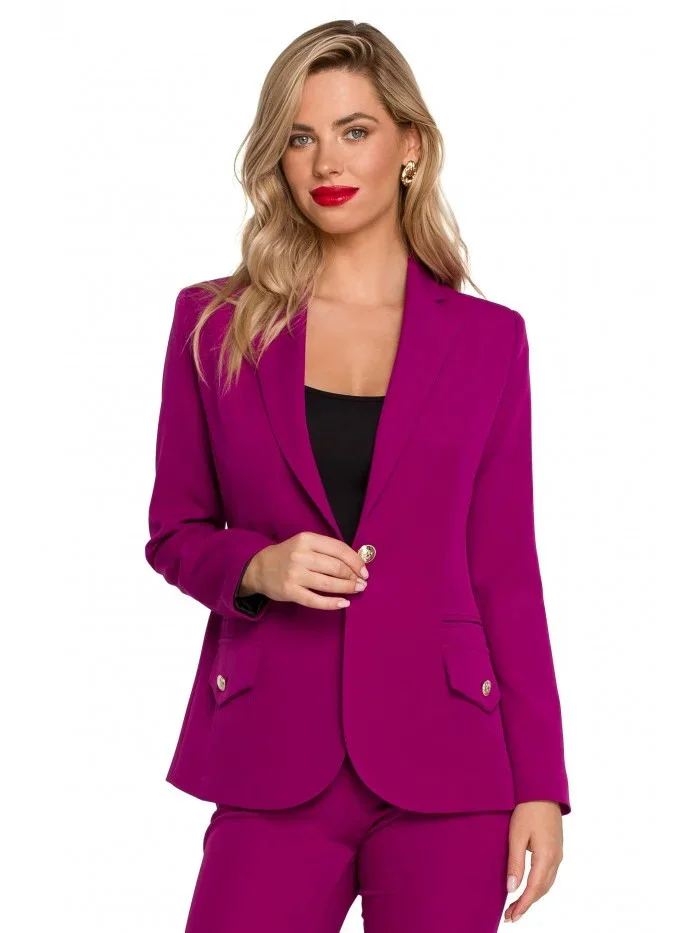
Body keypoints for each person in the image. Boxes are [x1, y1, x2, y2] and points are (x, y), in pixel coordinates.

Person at [145, 19, 571, 933]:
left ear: (409, 145)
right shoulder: (214, 324)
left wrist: (540, 781)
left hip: (450, 761)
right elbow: (175, 530)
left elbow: (505, 568)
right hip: (273, 748)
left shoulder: (489, 340)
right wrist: (257, 566)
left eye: (355, 130)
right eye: (301, 136)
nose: (327, 161)